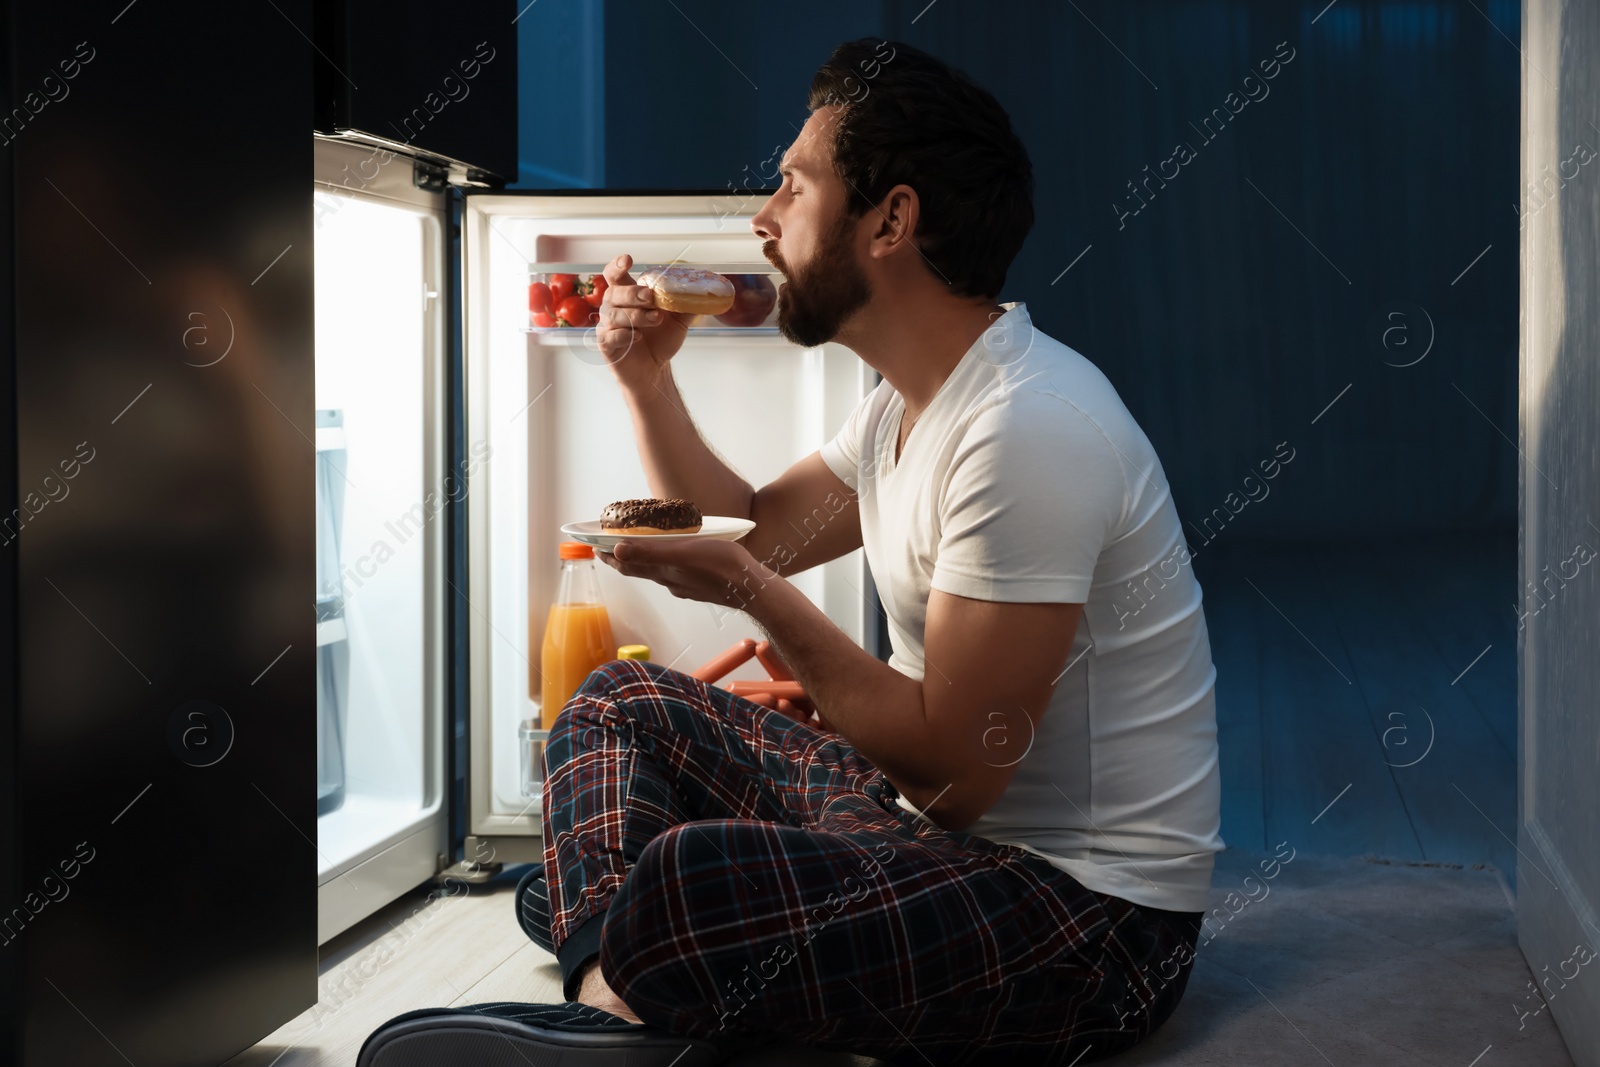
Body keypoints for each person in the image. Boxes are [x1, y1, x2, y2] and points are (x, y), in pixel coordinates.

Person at [356, 37, 1222, 1067]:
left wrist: (757, 596)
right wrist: (643, 377)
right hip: (932, 842)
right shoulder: (910, 402)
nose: (763, 217)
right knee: (615, 707)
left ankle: (628, 969)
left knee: (674, 877)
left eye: (793, 184)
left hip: (1083, 921)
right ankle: (619, 1002)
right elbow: (761, 526)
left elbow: (954, 775)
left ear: (890, 220)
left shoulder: (1025, 427)